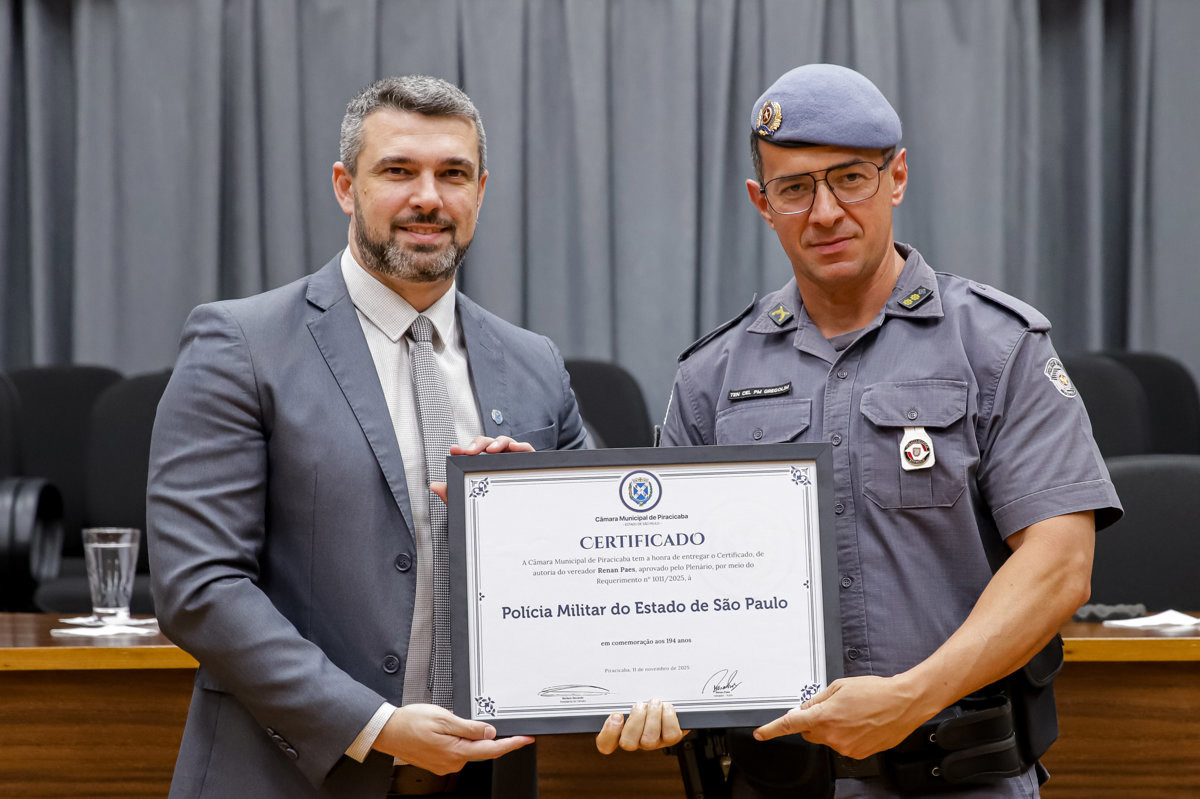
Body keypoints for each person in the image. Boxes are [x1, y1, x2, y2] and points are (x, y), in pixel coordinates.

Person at [596, 64, 1121, 798]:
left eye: (850, 178)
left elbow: (1061, 564)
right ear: (761, 202)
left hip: (960, 778)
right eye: (795, 187)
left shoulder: (998, 347)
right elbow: (670, 582)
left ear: (897, 176)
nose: (825, 211)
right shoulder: (712, 373)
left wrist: (914, 694)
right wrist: (648, 678)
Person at [148, 75, 589, 799]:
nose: (428, 197)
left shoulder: (534, 362)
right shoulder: (239, 344)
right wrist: (375, 723)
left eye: (452, 174)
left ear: (481, 189)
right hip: (287, 777)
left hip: (488, 778)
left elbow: (595, 562)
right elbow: (199, 586)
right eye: (398, 171)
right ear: (345, 186)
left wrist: (540, 509)